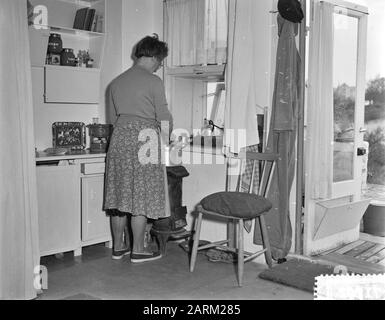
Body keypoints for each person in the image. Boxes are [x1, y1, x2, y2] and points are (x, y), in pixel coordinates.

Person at [103, 34, 173, 263]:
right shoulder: (153, 81)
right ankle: (138, 250)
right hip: (145, 139)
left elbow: (113, 119)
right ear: (153, 56)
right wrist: (166, 139)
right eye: (160, 61)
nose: (159, 66)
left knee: (120, 195)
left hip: (120, 138)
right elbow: (163, 117)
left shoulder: (116, 83)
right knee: (141, 197)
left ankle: (118, 247)